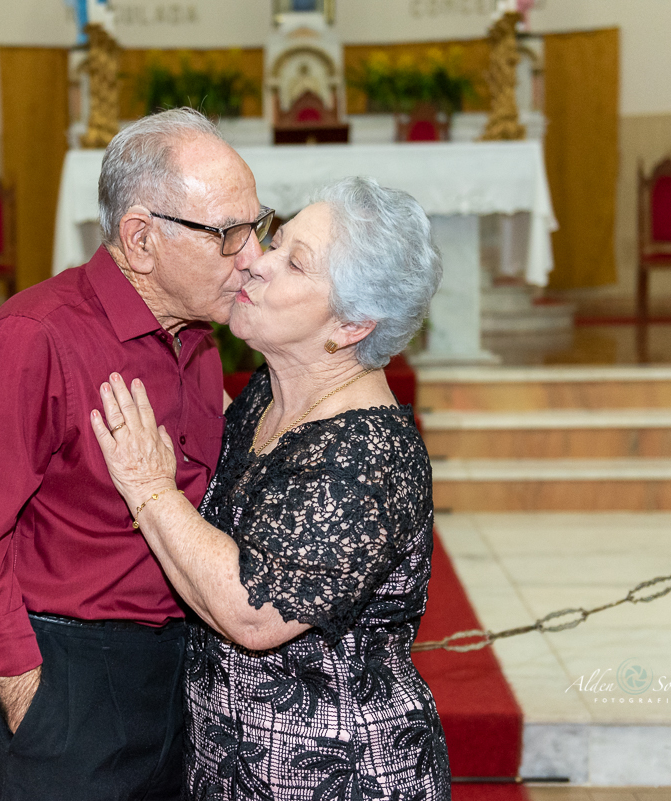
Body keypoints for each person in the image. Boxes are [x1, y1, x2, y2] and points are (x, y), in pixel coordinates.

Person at [0, 108, 274, 800]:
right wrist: (31, 704)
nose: (252, 255)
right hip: (65, 675)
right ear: (141, 239)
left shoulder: (197, 340)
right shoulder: (33, 338)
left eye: (256, 225)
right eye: (228, 233)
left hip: (177, 670)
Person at [90, 176, 450, 800]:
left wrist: (149, 488)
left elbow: (252, 615)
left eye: (295, 263)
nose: (256, 261)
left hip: (338, 773)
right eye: (276, 242)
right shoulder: (269, 393)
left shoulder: (367, 456)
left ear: (351, 325)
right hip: (233, 764)